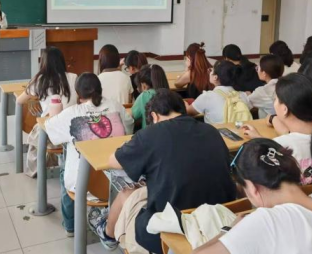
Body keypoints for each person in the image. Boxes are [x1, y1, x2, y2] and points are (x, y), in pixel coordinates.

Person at [90, 89, 237, 253]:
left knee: (129, 195)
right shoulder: (211, 131)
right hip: (219, 219)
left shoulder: (149, 135)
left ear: (154, 116)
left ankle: (108, 235)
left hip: (172, 227)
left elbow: (113, 161)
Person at [45, 73, 133, 236]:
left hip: (84, 185)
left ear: (78, 93)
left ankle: (71, 226)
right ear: (100, 88)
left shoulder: (72, 113)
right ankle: (105, 215)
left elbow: (51, 131)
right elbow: (129, 127)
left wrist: (54, 115)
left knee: (64, 168)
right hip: (117, 182)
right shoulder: (115, 106)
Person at [243, 74, 312, 186]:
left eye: (276, 99)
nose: (274, 103)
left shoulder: (280, 146)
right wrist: (262, 140)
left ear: (285, 109)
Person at [17, 47, 78, 177]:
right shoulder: (74, 77)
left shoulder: (40, 80)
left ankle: (37, 170)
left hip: (50, 130)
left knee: (36, 134)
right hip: (73, 127)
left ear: (43, 63)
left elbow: (19, 100)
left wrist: (35, 96)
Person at [131, 65, 169, 130]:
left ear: (144, 85)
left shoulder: (144, 96)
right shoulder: (171, 95)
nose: (137, 88)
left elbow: (132, 116)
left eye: (138, 85)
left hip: (149, 134)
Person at [247, 55, 285, 119]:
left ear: (264, 73)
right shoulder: (287, 84)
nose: (257, 71)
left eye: (257, 68)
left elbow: (246, 102)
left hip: (270, 123)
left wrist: (248, 94)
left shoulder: (262, 91)